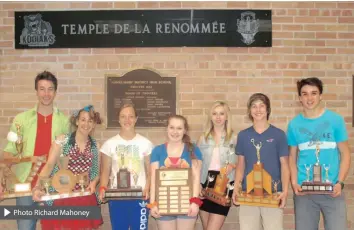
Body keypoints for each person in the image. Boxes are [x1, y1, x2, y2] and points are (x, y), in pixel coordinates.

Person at [2, 71, 68, 230]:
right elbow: (9, 152)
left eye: (50, 89)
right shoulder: (21, 120)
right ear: (36, 91)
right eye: (42, 89)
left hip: (53, 186)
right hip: (25, 185)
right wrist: (2, 179)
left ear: (56, 92)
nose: (46, 94)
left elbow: (65, 156)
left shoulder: (64, 121)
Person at [287, 77, 351, 230]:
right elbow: (291, 157)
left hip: (333, 191)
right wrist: (295, 183)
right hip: (304, 193)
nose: (309, 98)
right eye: (305, 94)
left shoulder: (335, 120)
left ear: (320, 96)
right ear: (300, 98)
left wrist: (340, 183)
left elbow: (346, 154)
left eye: (314, 93)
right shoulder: (294, 125)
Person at [32, 105, 103, 229]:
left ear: (93, 124)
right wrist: (37, 187)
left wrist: (94, 182)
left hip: (84, 199)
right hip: (61, 197)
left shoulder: (95, 146)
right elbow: (49, 165)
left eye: (90, 120)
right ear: (76, 121)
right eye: (83, 120)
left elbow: (96, 172)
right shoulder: (62, 141)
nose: (86, 124)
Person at [232, 93, 290, 230]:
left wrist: (285, 191)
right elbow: (241, 165)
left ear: (268, 109)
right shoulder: (243, 135)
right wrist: (236, 187)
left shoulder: (279, 135)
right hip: (248, 193)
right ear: (249, 110)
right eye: (254, 106)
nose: (258, 110)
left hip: (273, 194)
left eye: (261, 106)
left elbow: (285, 165)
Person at [99, 103, 153, 230]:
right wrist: (102, 188)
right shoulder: (109, 144)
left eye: (130, 116)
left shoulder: (146, 144)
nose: (127, 120)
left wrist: (148, 188)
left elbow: (151, 171)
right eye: (123, 116)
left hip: (139, 197)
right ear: (118, 119)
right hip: (117, 198)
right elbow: (105, 171)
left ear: (136, 119)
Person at [149, 115, 203, 230]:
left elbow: (196, 178)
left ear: (185, 130)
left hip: (187, 204)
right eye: (172, 127)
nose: (175, 132)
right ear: (166, 129)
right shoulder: (157, 151)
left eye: (179, 128)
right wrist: (152, 204)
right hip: (164, 203)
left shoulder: (193, 149)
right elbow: (153, 179)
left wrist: (195, 202)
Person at [197, 101, 237, 230]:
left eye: (221, 113)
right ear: (210, 116)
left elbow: (239, 161)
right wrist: (197, 184)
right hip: (205, 181)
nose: (218, 117)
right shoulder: (203, 138)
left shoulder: (234, 138)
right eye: (214, 114)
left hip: (224, 183)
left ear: (226, 116)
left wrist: (232, 165)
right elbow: (196, 164)